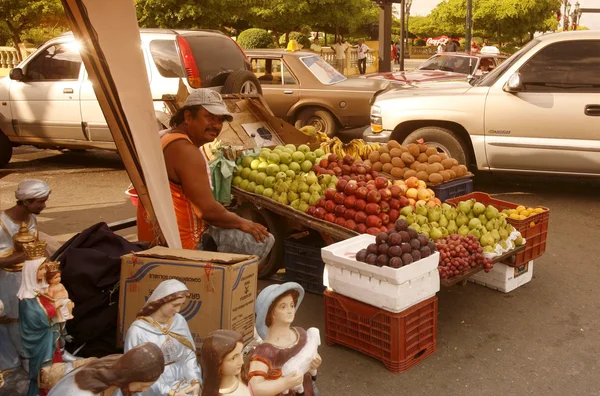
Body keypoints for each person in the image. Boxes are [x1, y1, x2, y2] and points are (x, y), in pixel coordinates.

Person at [136, 89, 273, 259]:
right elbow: (206, 211)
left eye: (220, 120)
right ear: (188, 117)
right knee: (263, 239)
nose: (216, 125)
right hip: (183, 244)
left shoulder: (165, 136)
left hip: (158, 235)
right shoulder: (186, 151)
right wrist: (245, 223)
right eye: (209, 117)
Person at [0, 179, 50, 374]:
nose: (44, 206)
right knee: (10, 321)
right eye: (40, 202)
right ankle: (9, 363)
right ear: (26, 201)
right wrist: (22, 256)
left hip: (29, 278)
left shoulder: (31, 219)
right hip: (6, 281)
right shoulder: (2, 224)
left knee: (30, 319)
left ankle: (30, 357)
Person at [124, 279, 201, 396]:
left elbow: (188, 355)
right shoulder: (138, 331)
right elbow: (136, 372)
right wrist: (169, 392)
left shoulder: (179, 321)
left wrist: (195, 380)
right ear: (161, 301)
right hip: (151, 388)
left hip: (182, 381)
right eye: (175, 305)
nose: (178, 310)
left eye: (181, 304)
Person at [248, 283, 322, 396]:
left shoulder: (301, 334)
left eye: (292, 305)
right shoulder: (265, 351)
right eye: (283, 306)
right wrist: (284, 383)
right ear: (271, 312)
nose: (290, 310)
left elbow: (307, 367)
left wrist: (313, 365)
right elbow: (256, 388)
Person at [18, 240, 63, 396]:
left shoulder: (41, 291)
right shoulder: (26, 298)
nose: (45, 272)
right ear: (32, 271)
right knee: (43, 375)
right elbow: (35, 318)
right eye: (42, 268)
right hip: (41, 343)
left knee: (55, 372)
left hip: (50, 338)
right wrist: (54, 306)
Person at [47, 342, 165, 396]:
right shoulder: (82, 393)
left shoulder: (113, 373)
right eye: (144, 385)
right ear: (130, 377)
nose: (145, 390)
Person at [200, 330, 252, 396]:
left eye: (241, 353)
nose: (242, 362)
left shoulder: (242, 378)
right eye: (233, 358)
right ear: (217, 363)